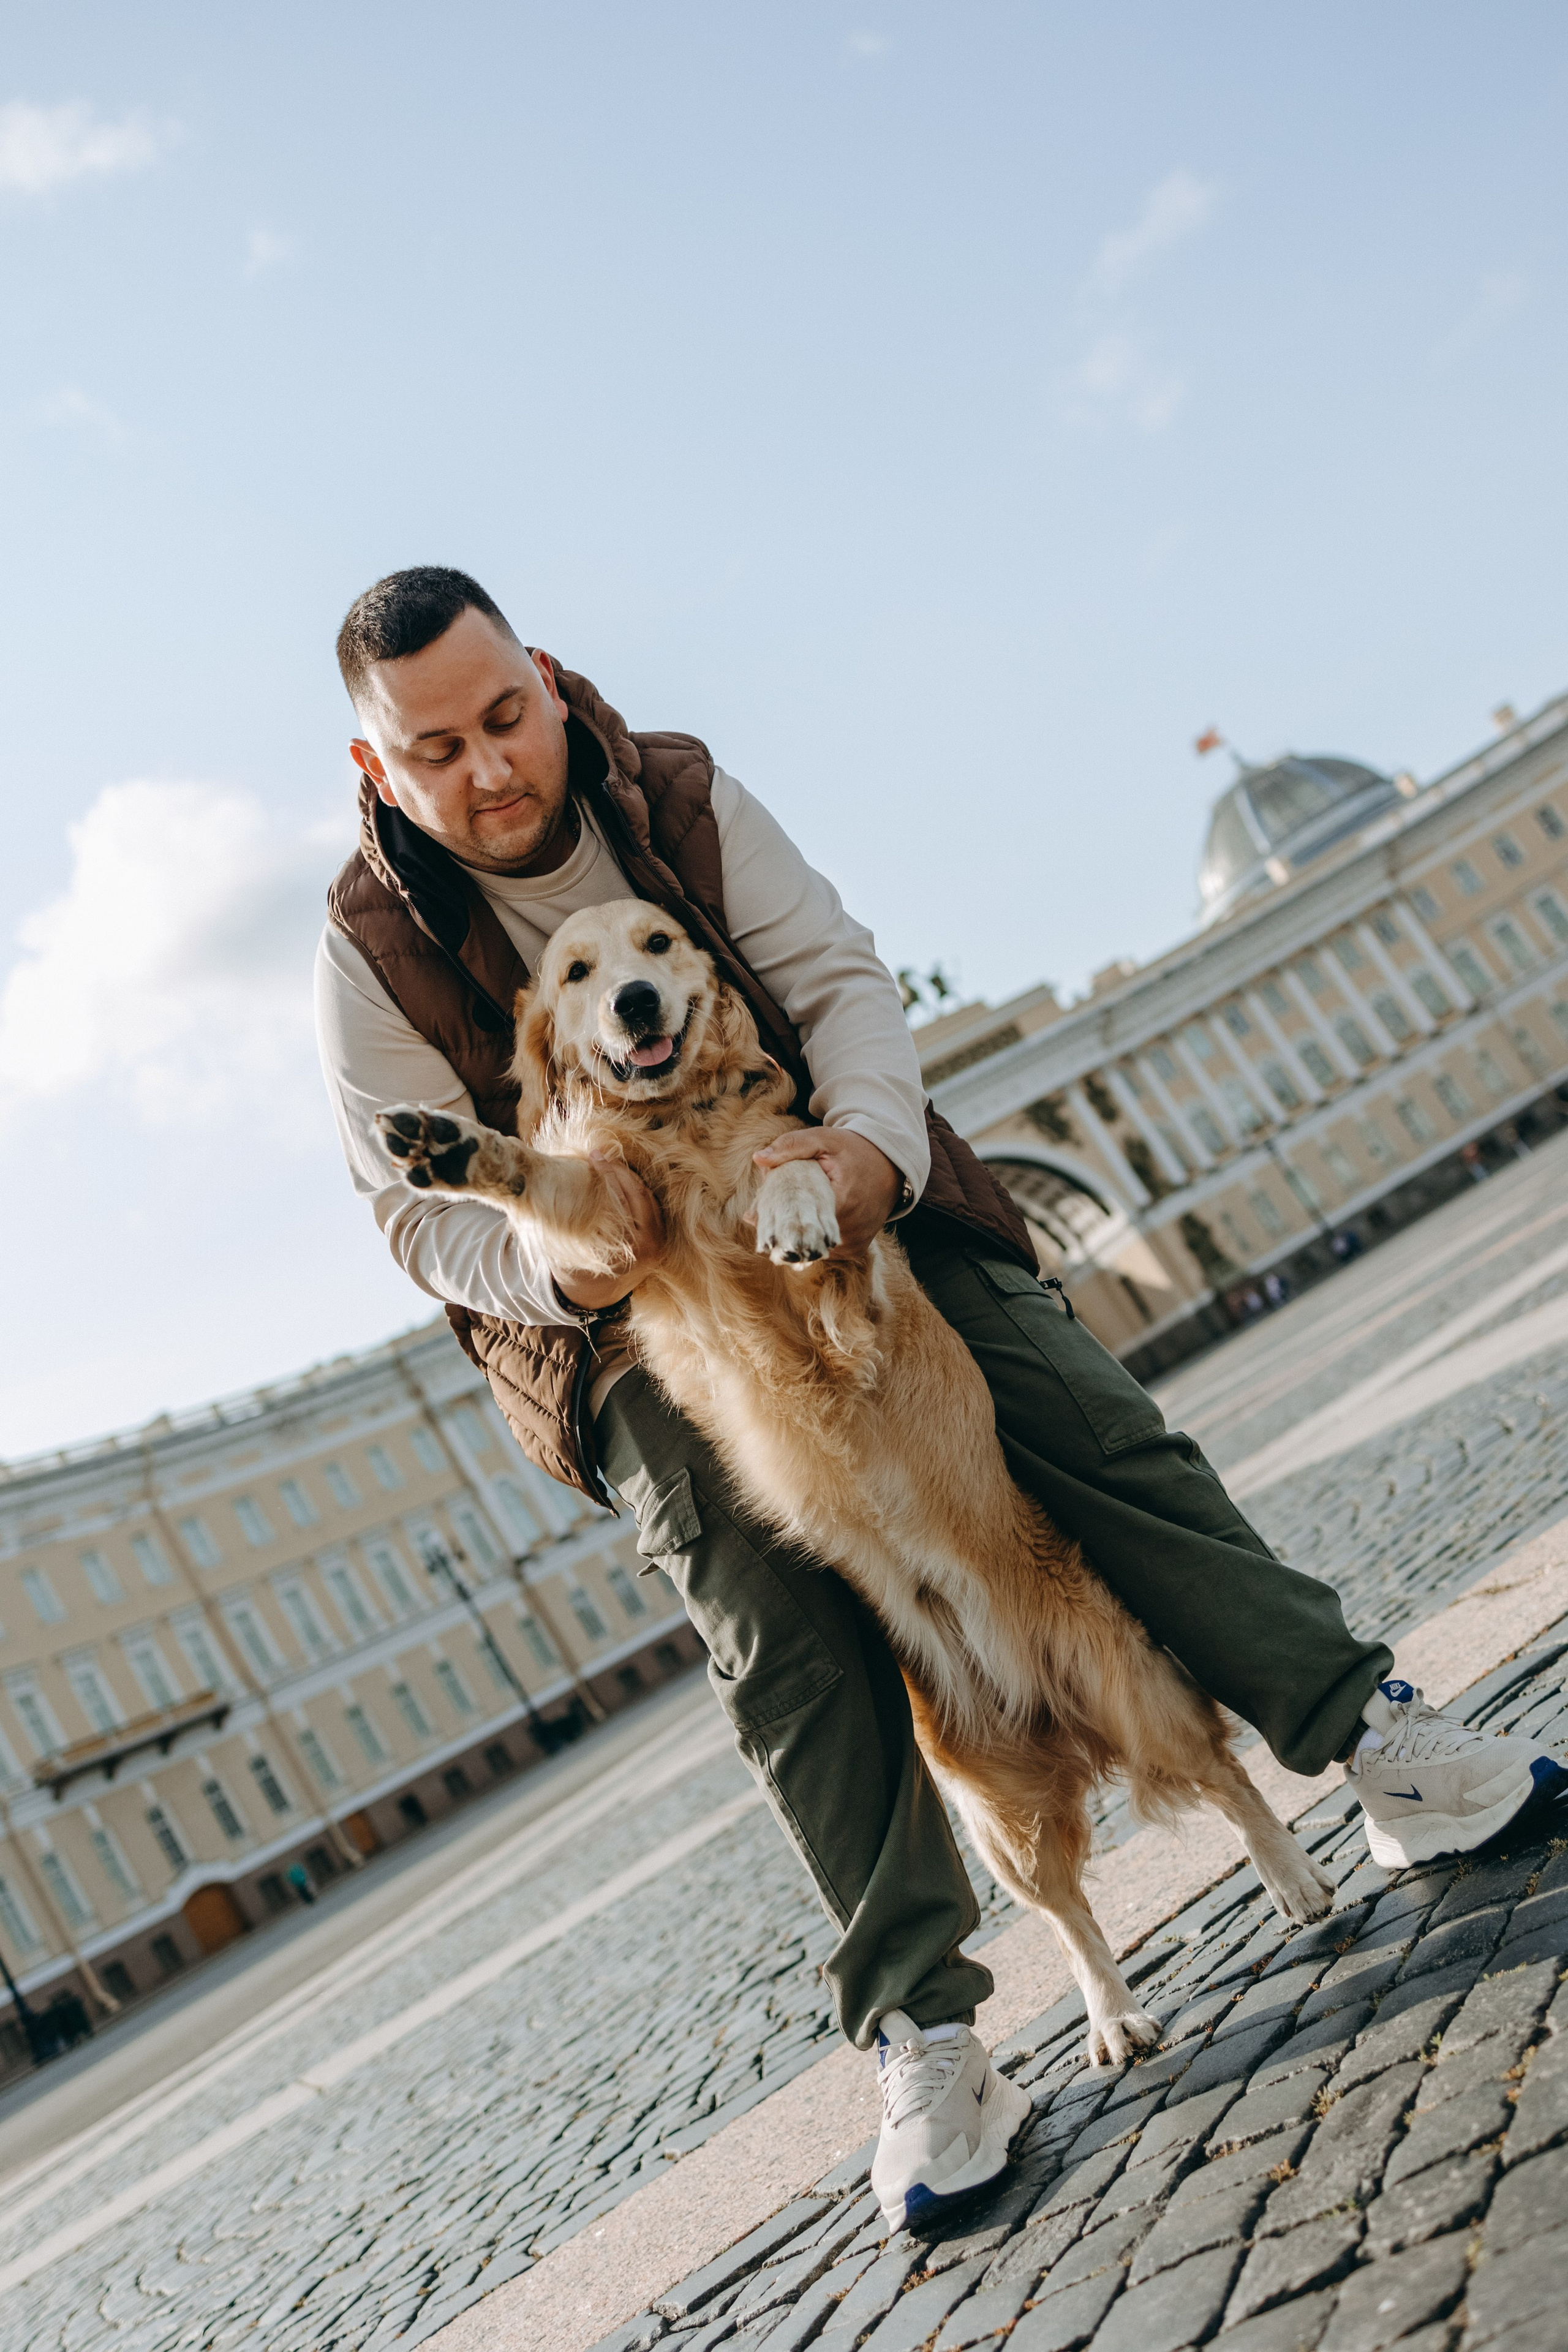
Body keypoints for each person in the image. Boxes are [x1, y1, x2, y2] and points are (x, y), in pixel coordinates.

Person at [315, 567, 1567, 2231]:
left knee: (1082, 1419)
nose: (489, 769)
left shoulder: (677, 790)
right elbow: (417, 1223)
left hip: (818, 1176)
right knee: (763, 1612)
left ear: (545, 680)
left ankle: (1370, 1738)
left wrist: (862, 1155)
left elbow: (838, 982)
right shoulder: (365, 944)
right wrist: (573, 1266)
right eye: (437, 750)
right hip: (627, 1315)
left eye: (504, 718)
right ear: (377, 767)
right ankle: (925, 2028)